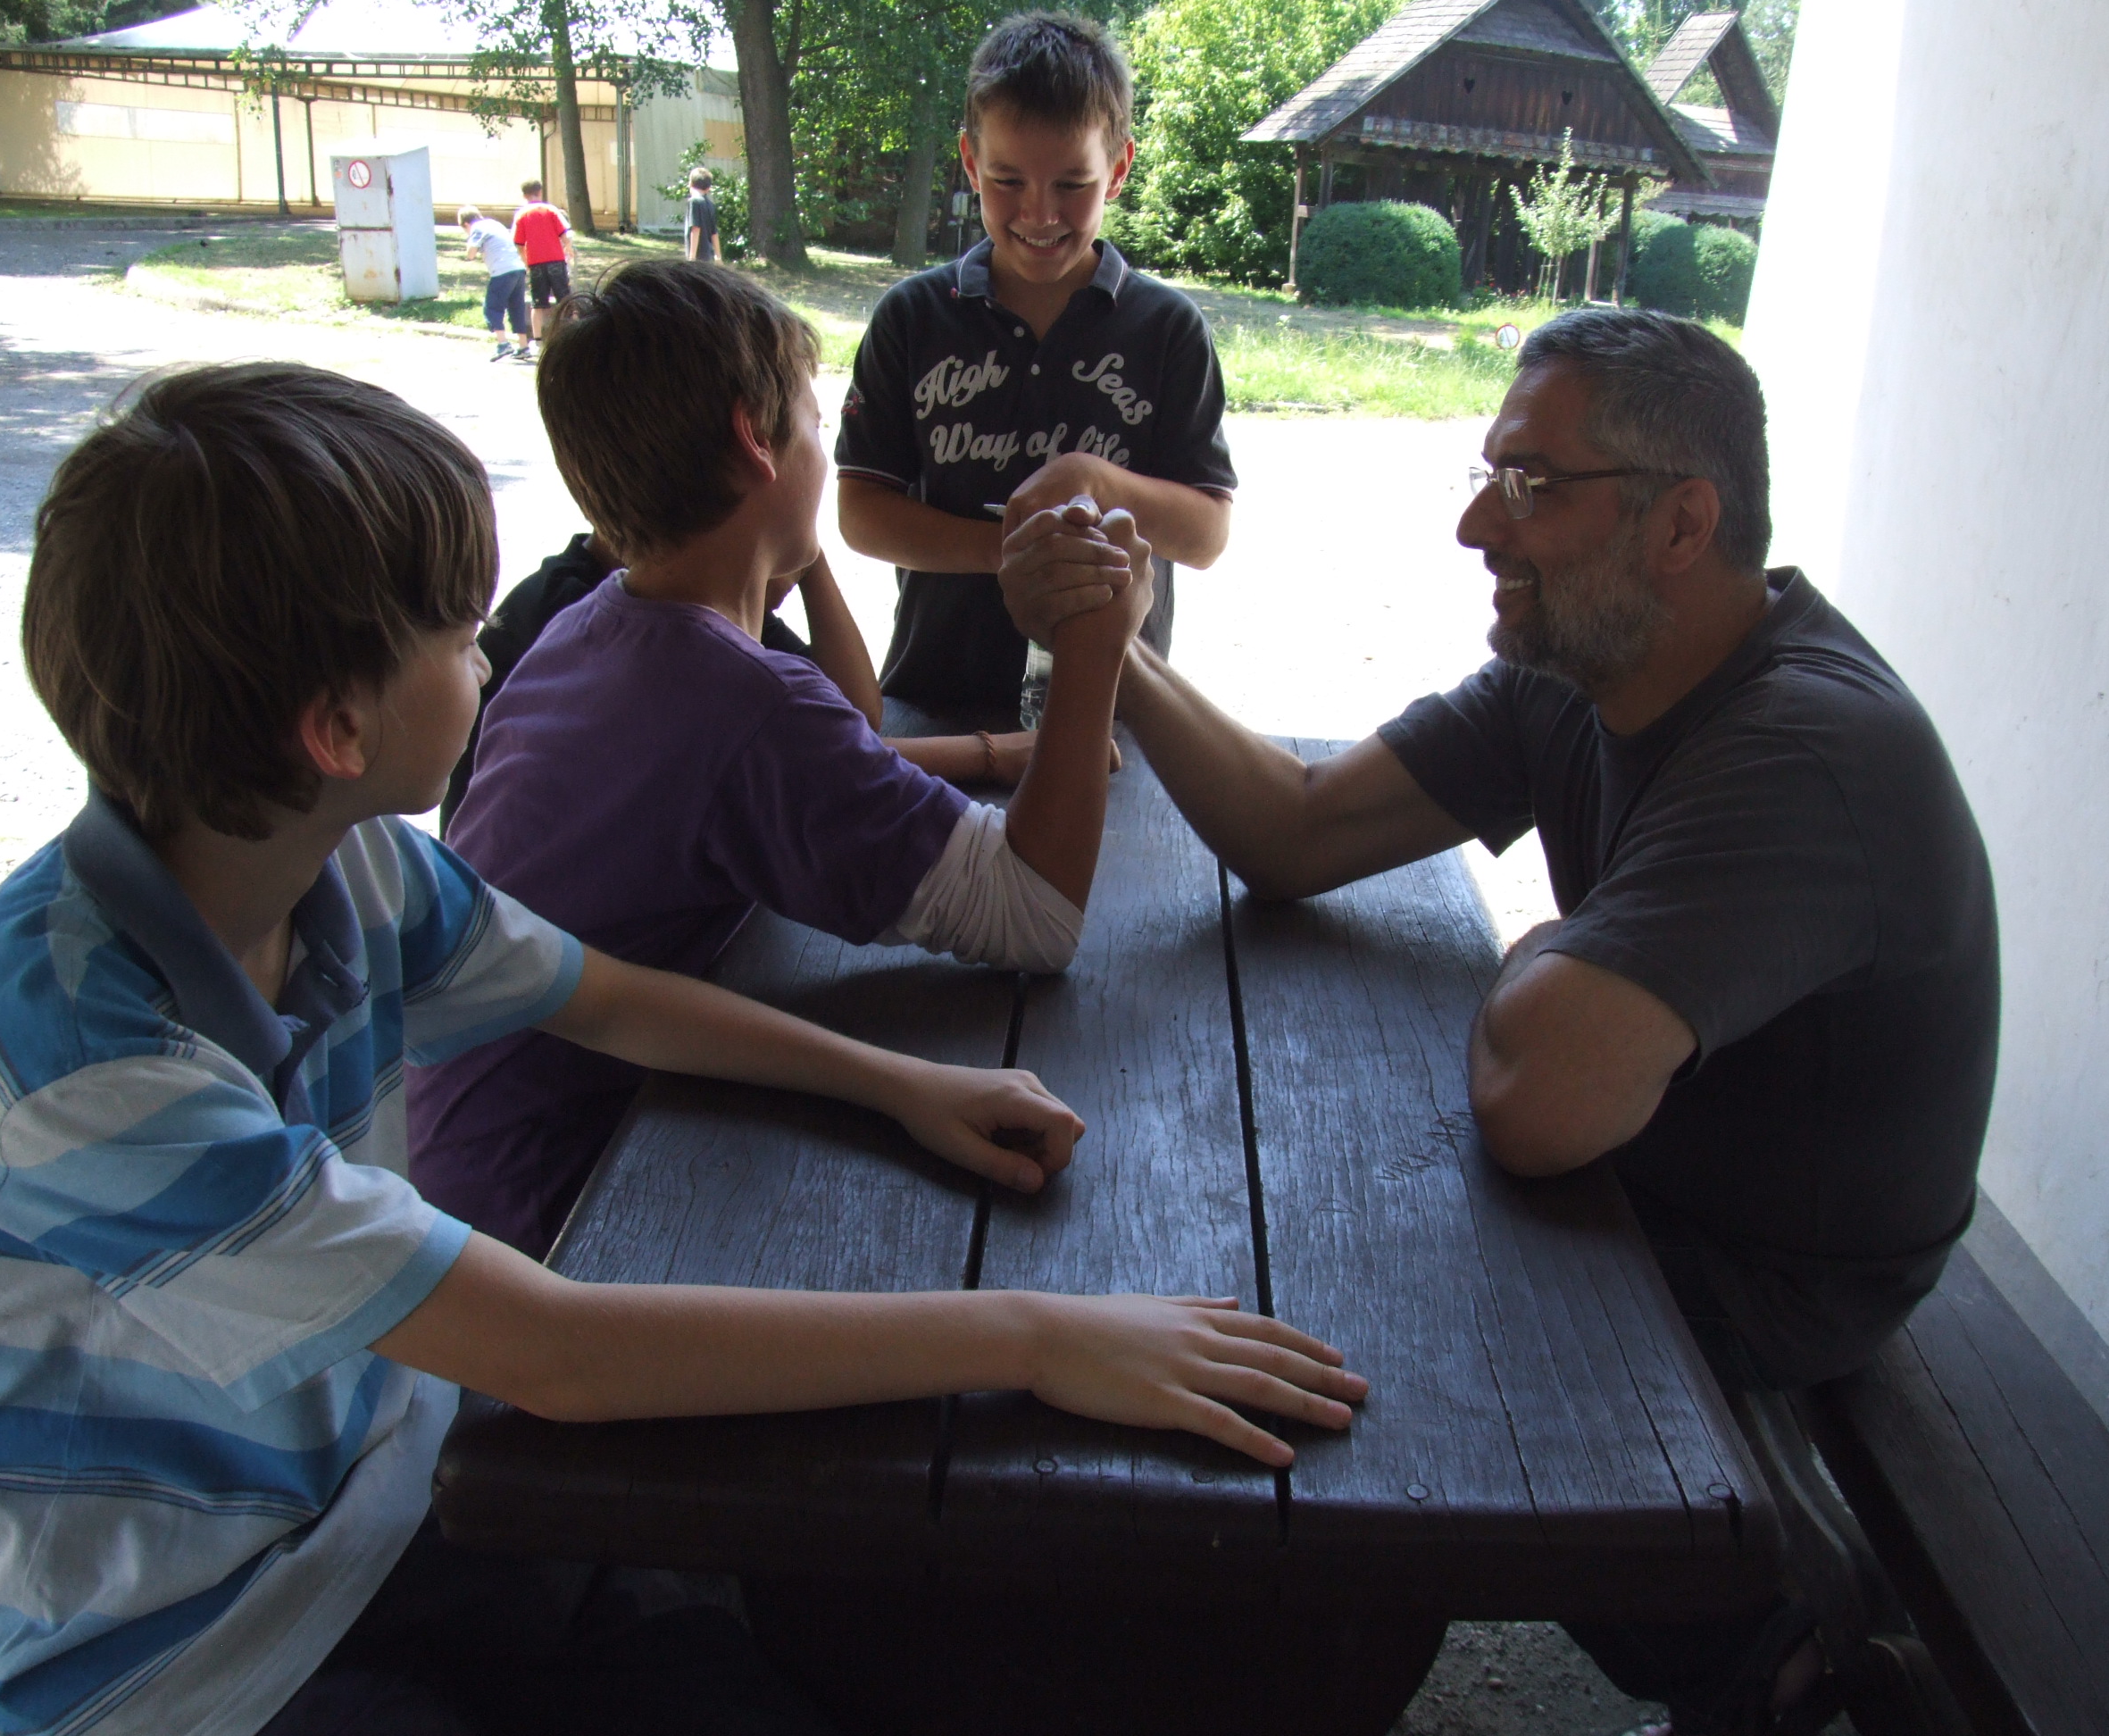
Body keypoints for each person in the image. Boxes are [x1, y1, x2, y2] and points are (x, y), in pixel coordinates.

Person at [0, 360, 1365, 1736]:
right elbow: (556, 1353)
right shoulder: (80, 1065)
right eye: (459, 635)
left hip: (391, 1496)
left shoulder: (344, 866)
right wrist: (1039, 1335)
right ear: (337, 729)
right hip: (189, 1660)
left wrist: (901, 1084)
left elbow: (607, 998)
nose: (488, 655)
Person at [998, 306, 2000, 1734]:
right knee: (1293, 1226)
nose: (1479, 524)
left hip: (1772, 1270)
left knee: (1362, 1331)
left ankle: (1764, 1651)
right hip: (1648, 1167)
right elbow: (1297, 831)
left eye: (1532, 484)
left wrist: (1546, 965)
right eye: (1488, 474)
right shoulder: (1585, 669)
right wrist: (1120, 648)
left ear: (1683, 522)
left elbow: (1540, 1106)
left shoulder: (1806, 750)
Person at [408, 257, 1144, 1260]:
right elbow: (1037, 914)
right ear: (756, 440)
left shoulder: (588, 630)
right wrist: (1096, 644)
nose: (825, 448)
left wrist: (979, 754)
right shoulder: (738, 702)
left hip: (458, 1173)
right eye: (812, 419)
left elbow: (801, 760)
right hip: (561, 1217)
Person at [834, 10, 1236, 712]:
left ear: (1118, 169)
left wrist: (1094, 479)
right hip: (937, 696)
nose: (1040, 213)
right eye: (1007, 180)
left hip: (1113, 710)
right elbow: (861, 514)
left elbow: (1205, 534)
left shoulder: (1169, 329)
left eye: (1072, 184)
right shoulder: (912, 317)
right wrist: (1016, 553)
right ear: (970, 162)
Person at [438, 535, 1046, 831]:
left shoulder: (687, 586)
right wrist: (986, 754)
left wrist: (807, 556)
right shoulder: (598, 614)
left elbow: (852, 715)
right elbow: (813, 755)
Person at [460, 203, 534, 362]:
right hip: (518, 269)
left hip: (502, 270)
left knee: (491, 308)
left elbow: (470, 254)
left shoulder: (477, 228)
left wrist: (470, 246)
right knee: (517, 308)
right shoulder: (495, 224)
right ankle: (523, 346)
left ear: (466, 224)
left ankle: (503, 344)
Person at [513, 179, 575, 339]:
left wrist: (526, 262)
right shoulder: (551, 210)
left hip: (535, 263)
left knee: (538, 303)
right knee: (565, 298)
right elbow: (565, 234)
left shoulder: (521, 214)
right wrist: (568, 249)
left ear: (524, 195)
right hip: (556, 260)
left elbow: (519, 244)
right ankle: (573, 330)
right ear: (540, 192)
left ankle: (537, 339)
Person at [684, 164, 721, 263]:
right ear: (708, 189)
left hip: (698, 257)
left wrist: (692, 258)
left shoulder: (694, 202)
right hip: (708, 256)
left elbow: (695, 228)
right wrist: (718, 256)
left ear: (690, 184)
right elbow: (714, 233)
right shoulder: (710, 205)